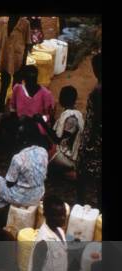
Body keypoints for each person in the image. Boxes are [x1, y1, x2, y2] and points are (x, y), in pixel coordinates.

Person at [0, 116, 49, 209]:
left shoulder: (18, 158)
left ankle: (2, 205)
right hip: (38, 196)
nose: (16, 137)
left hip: (19, 199)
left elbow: (9, 183)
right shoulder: (43, 151)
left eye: (18, 135)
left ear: (23, 139)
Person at [76, 53, 102, 209]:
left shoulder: (98, 91)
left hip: (95, 137)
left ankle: (80, 203)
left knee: (82, 169)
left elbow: (96, 119)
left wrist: (89, 143)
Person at [0, 17, 32, 108]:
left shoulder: (25, 24)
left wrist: (24, 63)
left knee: (16, 86)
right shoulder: (1, 22)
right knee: (4, 84)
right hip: (5, 58)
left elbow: (26, 45)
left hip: (18, 59)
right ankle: (1, 105)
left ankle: (14, 108)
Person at [50, 86, 85, 175]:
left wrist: (42, 122)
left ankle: (69, 170)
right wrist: (51, 117)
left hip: (69, 158)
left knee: (43, 149)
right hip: (67, 154)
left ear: (61, 99)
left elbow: (57, 139)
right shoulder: (70, 114)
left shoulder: (71, 118)